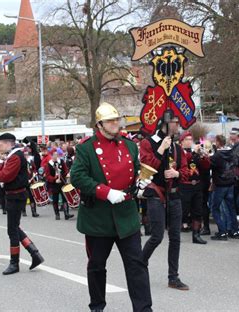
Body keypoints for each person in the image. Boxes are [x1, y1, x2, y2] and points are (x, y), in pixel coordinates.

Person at [70, 102, 152, 312]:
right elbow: (77, 177)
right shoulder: (86, 147)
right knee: (97, 266)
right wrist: (106, 192)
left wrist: (139, 185)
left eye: (117, 119)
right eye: (110, 121)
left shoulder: (130, 145)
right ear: (100, 124)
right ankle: (97, 306)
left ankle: (143, 309)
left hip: (127, 214)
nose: (116, 124)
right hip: (99, 217)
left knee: (137, 265)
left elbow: (135, 171)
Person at [0, 133, 44, 275]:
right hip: (13, 195)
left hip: (15, 196)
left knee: (12, 230)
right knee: (15, 227)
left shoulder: (16, 156)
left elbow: (3, 176)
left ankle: (14, 263)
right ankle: (35, 254)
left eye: (0, 144)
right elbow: (4, 169)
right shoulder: (14, 155)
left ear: (9, 143)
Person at [140, 110, 190, 291]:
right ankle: (139, 264)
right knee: (157, 236)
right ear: (165, 123)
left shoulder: (177, 147)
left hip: (174, 194)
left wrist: (177, 173)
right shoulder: (147, 143)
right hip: (156, 194)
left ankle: (173, 277)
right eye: (175, 122)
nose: (178, 125)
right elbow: (146, 168)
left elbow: (185, 171)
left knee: (175, 237)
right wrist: (160, 149)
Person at [178, 131, 208, 244]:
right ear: (182, 141)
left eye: (191, 139)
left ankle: (196, 235)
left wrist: (204, 157)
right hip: (185, 186)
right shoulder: (180, 152)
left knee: (197, 211)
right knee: (183, 211)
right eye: (187, 139)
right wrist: (194, 153)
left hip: (197, 185)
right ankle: (176, 232)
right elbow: (183, 161)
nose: (190, 141)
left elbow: (205, 166)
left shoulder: (194, 152)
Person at [210, 135, 239, 240]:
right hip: (230, 183)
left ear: (217, 142)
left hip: (220, 185)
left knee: (215, 208)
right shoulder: (232, 153)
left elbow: (210, 165)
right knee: (231, 208)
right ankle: (235, 231)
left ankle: (222, 232)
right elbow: (236, 163)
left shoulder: (217, 156)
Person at [44, 148, 74, 220]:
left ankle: (66, 214)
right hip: (54, 184)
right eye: (54, 155)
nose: (56, 156)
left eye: (56, 155)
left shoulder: (61, 161)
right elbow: (48, 176)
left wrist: (66, 174)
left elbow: (65, 169)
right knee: (55, 199)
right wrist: (54, 180)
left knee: (65, 198)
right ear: (51, 155)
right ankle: (57, 214)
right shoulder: (48, 165)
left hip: (62, 183)